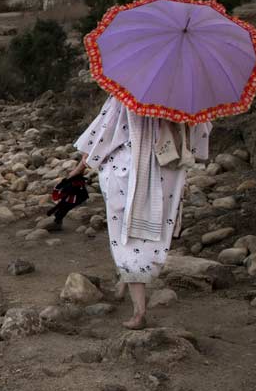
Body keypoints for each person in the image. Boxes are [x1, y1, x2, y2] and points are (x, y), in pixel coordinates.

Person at [70, 95, 210, 329]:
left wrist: (80, 166)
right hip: (170, 173)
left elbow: (104, 133)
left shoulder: (130, 93)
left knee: (128, 237)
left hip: (132, 172)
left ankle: (139, 311)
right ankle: (123, 284)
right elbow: (199, 139)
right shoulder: (189, 97)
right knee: (152, 232)